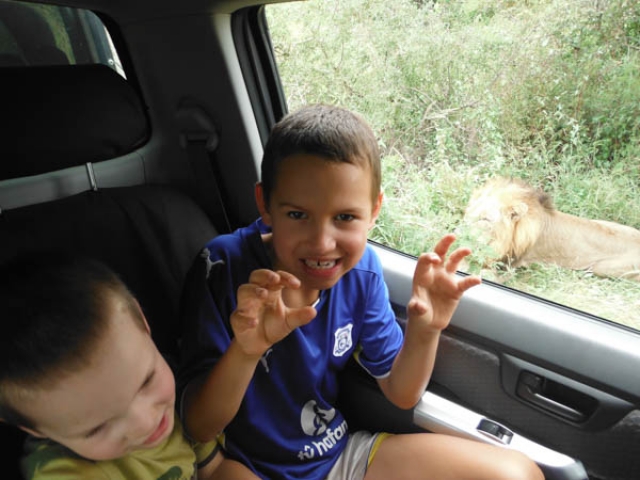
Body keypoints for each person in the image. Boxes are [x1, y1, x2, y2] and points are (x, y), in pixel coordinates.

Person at [178, 104, 545, 480]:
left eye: (344, 217)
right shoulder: (223, 267)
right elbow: (199, 427)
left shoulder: (362, 272)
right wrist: (246, 350)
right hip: (242, 464)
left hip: (335, 456)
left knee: (517, 473)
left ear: (374, 211)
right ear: (265, 205)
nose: (322, 243)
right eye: (297, 215)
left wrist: (426, 328)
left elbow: (401, 393)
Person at [0, 254, 257, 480]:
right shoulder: (64, 474)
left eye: (146, 381)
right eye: (97, 429)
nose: (144, 422)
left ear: (142, 321)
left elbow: (214, 469)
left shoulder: (175, 396)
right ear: (34, 428)